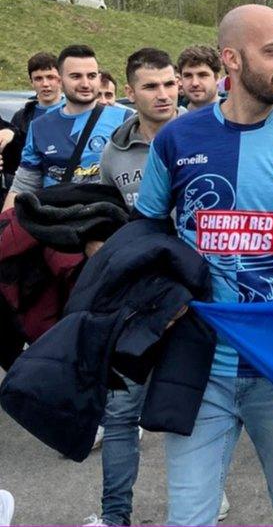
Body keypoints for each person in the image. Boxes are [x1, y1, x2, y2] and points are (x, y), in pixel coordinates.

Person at [134, 4, 273, 526]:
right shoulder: (177, 139)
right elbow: (145, 233)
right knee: (188, 516)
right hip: (200, 364)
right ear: (231, 60)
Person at [80, 48, 181, 527]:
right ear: (130, 92)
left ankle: (199, 498)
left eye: (169, 83)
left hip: (196, 297)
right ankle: (114, 515)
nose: (163, 94)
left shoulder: (205, 135)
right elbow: (106, 220)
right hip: (136, 301)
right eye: (151, 86)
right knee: (120, 412)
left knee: (196, 409)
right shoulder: (114, 152)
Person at [4, 45, 130, 212]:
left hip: (108, 221)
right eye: (76, 76)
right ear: (61, 80)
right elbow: (22, 187)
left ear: (99, 79)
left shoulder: (126, 120)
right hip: (56, 224)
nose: (85, 83)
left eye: (91, 76)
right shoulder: (39, 127)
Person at [0, 52, 63, 179]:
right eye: (38, 78)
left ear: (60, 79)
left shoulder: (73, 112)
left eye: (50, 77)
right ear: (31, 82)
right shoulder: (21, 116)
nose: (45, 84)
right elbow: (14, 161)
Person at [177, 45, 221, 111]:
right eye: (188, 76)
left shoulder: (235, 115)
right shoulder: (175, 117)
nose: (195, 83)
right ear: (181, 80)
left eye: (202, 75)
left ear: (216, 78)